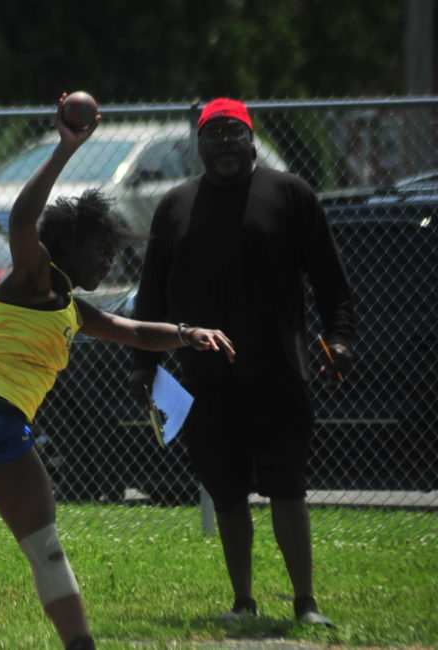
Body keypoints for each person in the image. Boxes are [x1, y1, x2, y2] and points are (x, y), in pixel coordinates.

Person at [0, 94, 236, 650]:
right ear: (66, 246)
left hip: (8, 430)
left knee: (47, 548)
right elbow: (21, 218)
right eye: (98, 250)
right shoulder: (33, 276)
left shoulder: (73, 309)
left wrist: (187, 333)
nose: (107, 261)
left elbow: (134, 331)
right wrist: (65, 147)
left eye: (112, 253)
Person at [128, 98, 356, 628]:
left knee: (287, 485)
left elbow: (330, 280)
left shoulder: (290, 195)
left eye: (235, 132)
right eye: (214, 134)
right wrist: (143, 363)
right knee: (226, 492)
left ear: (252, 140)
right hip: (205, 378)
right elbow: (152, 292)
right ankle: (242, 601)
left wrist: (340, 340)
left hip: (279, 372)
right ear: (199, 144)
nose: (225, 142)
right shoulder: (175, 206)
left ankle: (305, 602)